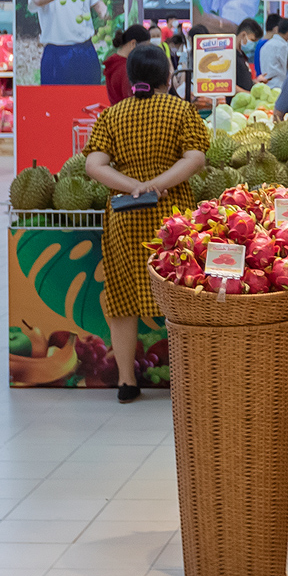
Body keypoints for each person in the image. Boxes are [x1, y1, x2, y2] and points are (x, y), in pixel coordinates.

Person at [83, 43, 210, 402]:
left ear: (130, 77)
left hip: (124, 218)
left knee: (123, 299)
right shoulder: (180, 111)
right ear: (167, 77)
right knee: (180, 295)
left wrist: (134, 187)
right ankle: (186, 381)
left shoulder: (113, 116)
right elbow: (196, 158)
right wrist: (157, 184)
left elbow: (94, 165)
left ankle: (127, 382)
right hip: (172, 218)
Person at [104, 25, 151, 105]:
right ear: (133, 43)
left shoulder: (113, 62)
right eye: (144, 47)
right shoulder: (127, 69)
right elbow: (132, 100)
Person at [259, 15, 288, 82]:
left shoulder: (266, 44)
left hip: (265, 83)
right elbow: (287, 66)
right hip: (279, 83)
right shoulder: (283, 46)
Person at [234, 18, 262, 91]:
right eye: (252, 40)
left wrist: (254, 82)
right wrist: (248, 94)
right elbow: (228, 84)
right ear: (243, 35)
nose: (253, 44)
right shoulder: (230, 54)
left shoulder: (242, 55)